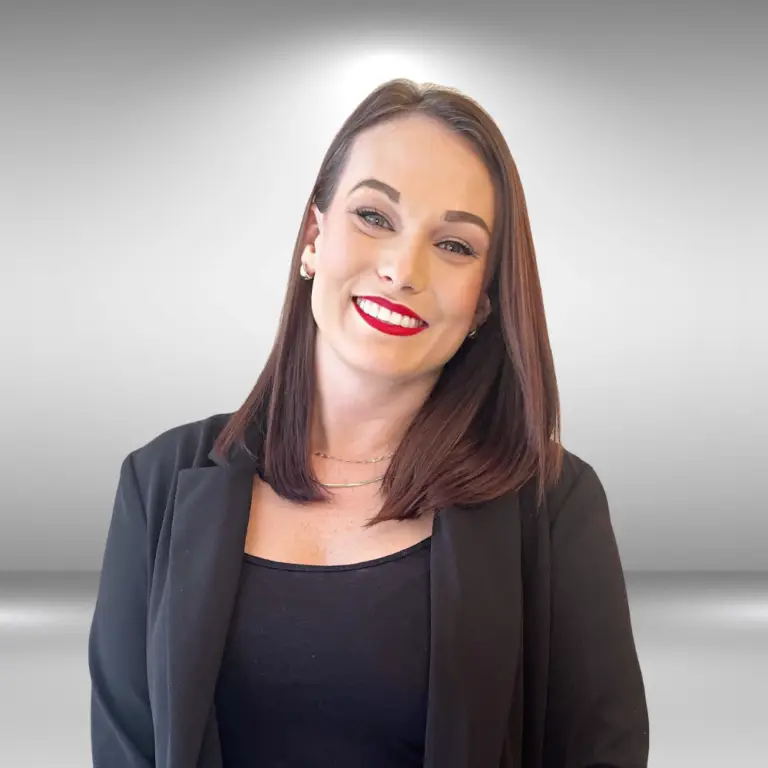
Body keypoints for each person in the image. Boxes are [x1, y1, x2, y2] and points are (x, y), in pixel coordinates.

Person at [88, 78, 650, 768]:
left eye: (454, 246)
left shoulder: (552, 504)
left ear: (483, 304)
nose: (401, 269)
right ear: (313, 239)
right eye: (376, 218)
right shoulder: (159, 485)